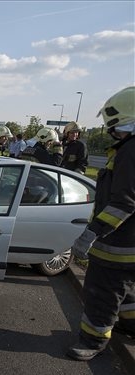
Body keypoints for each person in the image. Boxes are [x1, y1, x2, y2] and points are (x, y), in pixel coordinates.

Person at [67, 86, 135, 361]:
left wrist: (93, 232)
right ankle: (129, 325)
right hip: (130, 244)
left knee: (101, 292)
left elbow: (124, 202)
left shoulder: (130, 151)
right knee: (127, 290)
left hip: (118, 246)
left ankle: (93, 340)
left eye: (115, 127)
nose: (112, 133)